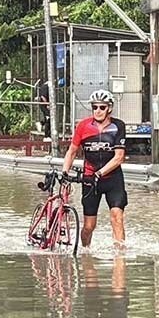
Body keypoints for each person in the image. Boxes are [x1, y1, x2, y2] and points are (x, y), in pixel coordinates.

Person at [62, 89, 127, 249]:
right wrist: (65, 172)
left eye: (102, 107)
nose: (98, 111)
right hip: (90, 180)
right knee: (89, 226)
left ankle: (120, 259)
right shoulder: (83, 126)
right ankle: (86, 254)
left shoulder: (118, 126)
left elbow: (119, 157)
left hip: (113, 179)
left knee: (117, 217)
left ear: (109, 108)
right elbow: (71, 151)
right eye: (95, 107)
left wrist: (101, 173)